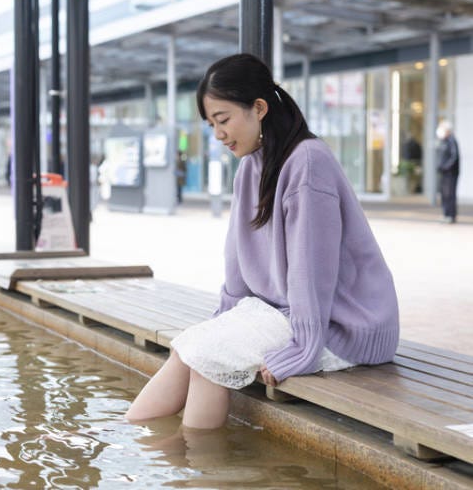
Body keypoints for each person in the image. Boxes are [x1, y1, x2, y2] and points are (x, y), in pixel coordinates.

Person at [125, 53, 399, 430]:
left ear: (259, 108)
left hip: (343, 323)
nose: (218, 134)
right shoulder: (252, 165)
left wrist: (303, 349)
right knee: (187, 348)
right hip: (284, 312)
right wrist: (224, 318)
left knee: (209, 359)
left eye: (223, 120)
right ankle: (133, 442)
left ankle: (198, 469)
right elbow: (236, 254)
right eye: (211, 124)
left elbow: (311, 269)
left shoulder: (307, 162)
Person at [436, 120, 460, 224]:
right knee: (444, 194)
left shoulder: (452, 141)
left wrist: (446, 167)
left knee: (450, 194)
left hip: (451, 173)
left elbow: (454, 157)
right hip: (444, 172)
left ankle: (451, 215)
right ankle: (445, 214)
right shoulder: (443, 141)